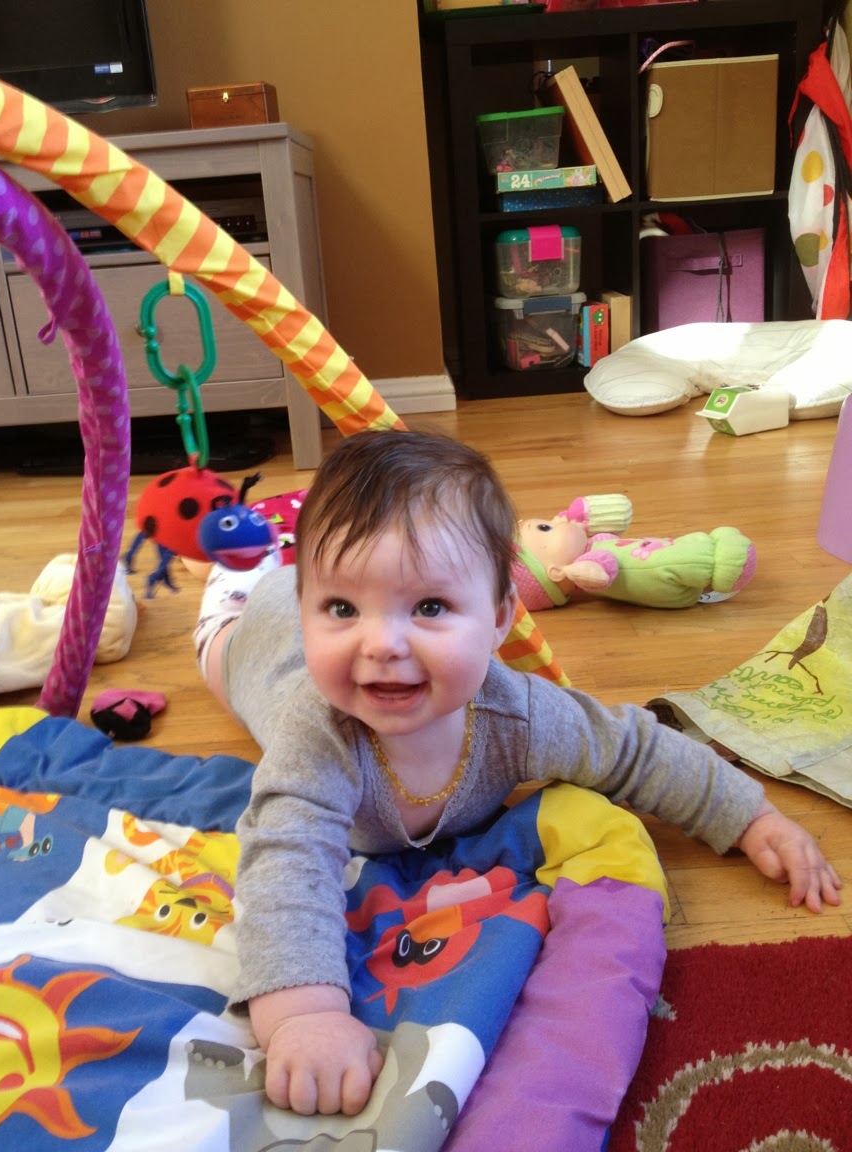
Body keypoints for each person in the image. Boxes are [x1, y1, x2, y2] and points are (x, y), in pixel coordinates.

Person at [194, 428, 841, 1120]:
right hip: (258, 643)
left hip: (297, 601)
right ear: (313, 613)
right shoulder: (315, 737)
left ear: (501, 617)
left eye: (430, 607)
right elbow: (284, 864)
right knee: (227, 632)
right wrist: (304, 1013)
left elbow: (632, 750)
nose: (381, 644)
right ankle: (242, 581)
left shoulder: (521, 716)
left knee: (312, 578)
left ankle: (285, 574)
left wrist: (749, 816)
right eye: (342, 609)